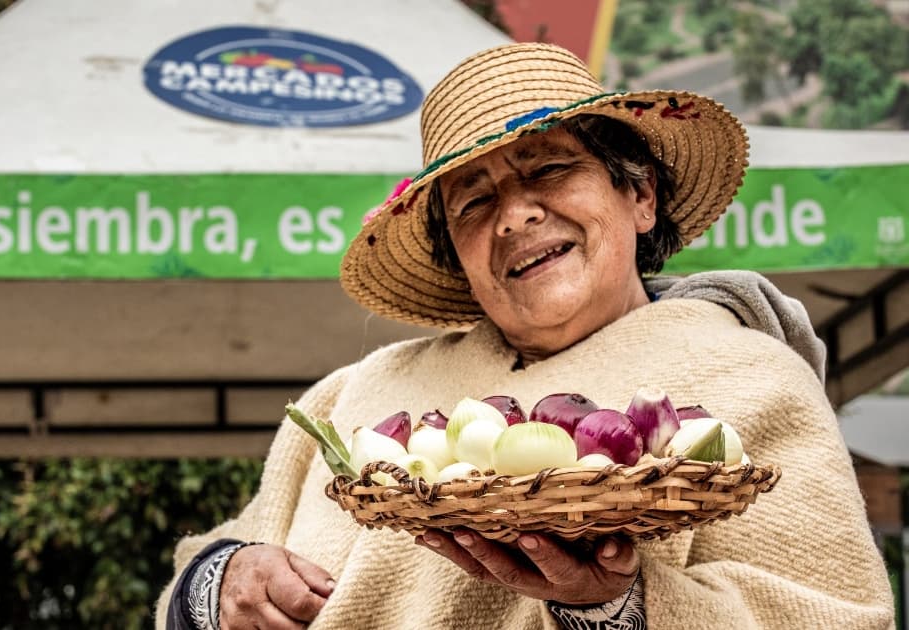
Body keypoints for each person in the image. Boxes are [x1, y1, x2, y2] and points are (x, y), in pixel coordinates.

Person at [157, 43, 894, 630]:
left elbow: (834, 616)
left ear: (638, 195)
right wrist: (223, 579)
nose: (513, 217)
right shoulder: (358, 393)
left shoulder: (752, 380)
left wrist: (613, 608)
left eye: (549, 168)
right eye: (474, 201)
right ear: (458, 257)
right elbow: (207, 573)